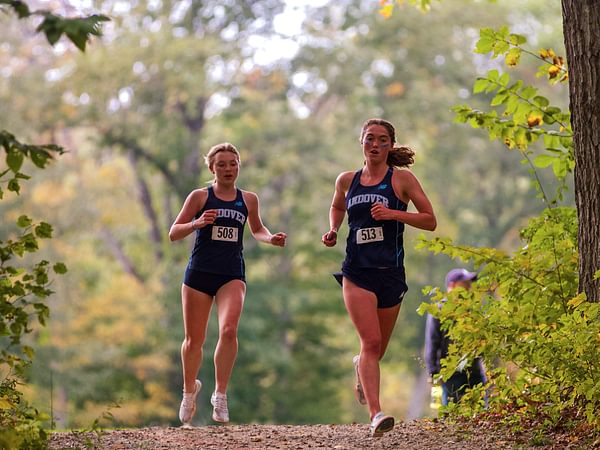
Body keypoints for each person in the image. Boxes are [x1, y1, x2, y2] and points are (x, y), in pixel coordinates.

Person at [322, 118, 437, 437]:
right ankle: (376, 414)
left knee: (376, 350)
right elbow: (336, 206)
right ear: (361, 142)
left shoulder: (402, 180)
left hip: (391, 274)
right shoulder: (347, 180)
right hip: (356, 273)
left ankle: (360, 365)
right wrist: (332, 229)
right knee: (371, 342)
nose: (375, 144)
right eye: (369, 139)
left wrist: (393, 214)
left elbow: (430, 220)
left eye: (382, 140)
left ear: (390, 145)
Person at [169, 142, 287, 426]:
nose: (227, 169)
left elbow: (257, 228)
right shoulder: (200, 197)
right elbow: (174, 232)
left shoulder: (248, 199)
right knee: (193, 341)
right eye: (221, 164)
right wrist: (196, 224)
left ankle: (220, 395)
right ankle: (189, 391)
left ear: (238, 166)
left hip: (231, 273)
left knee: (229, 329)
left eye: (232, 163)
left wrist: (270, 239)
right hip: (199, 274)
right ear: (212, 168)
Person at [424, 268, 487, 406]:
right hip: (451, 373)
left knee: (483, 414)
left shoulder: (473, 309)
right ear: (452, 285)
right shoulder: (439, 310)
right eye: (464, 283)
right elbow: (432, 343)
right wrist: (433, 373)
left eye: (469, 283)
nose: (469, 286)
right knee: (451, 416)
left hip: (475, 370)